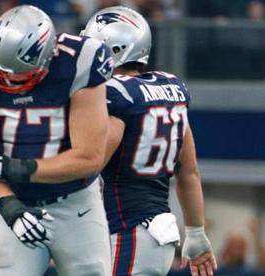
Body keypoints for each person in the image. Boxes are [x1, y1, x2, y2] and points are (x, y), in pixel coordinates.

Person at [0, 5, 115, 276]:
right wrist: (9, 207)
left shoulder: (79, 60)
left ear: (48, 56)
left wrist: (15, 168)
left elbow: (89, 158)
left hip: (76, 204)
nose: (8, 78)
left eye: (18, 71)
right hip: (16, 200)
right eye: (1, 68)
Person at [81, 6, 217, 276]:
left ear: (113, 50)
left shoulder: (116, 94)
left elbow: (90, 163)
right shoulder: (170, 88)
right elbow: (188, 172)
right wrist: (196, 233)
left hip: (126, 230)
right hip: (154, 231)